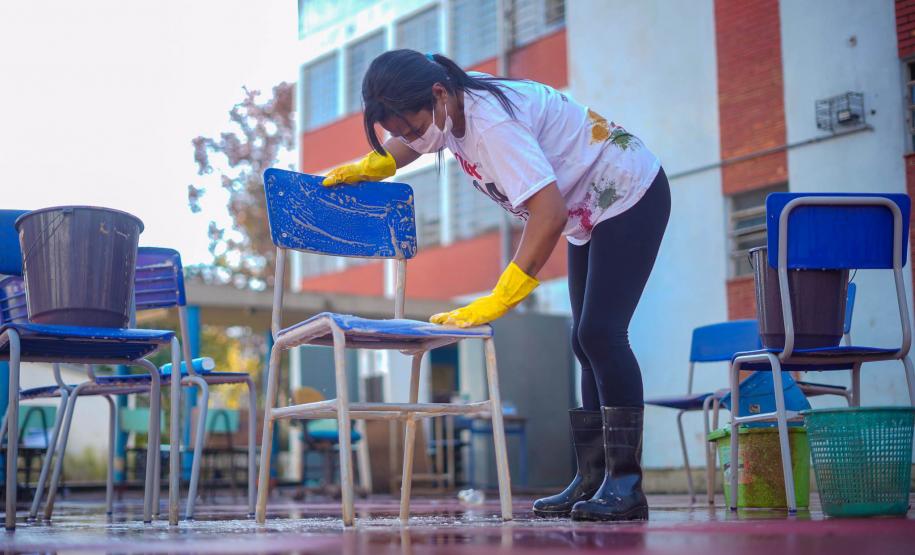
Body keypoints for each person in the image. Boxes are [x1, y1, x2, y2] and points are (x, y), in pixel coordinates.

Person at [322, 50, 670, 522]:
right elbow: (415, 141)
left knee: (602, 334)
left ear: (438, 96)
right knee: (585, 341)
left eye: (410, 126)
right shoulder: (447, 102)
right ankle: (593, 479)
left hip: (628, 191)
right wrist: (371, 166)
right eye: (398, 132)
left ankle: (625, 486)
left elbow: (548, 216)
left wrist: (501, 296)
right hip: (590, 208)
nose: (410, 139)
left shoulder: (490, 127)